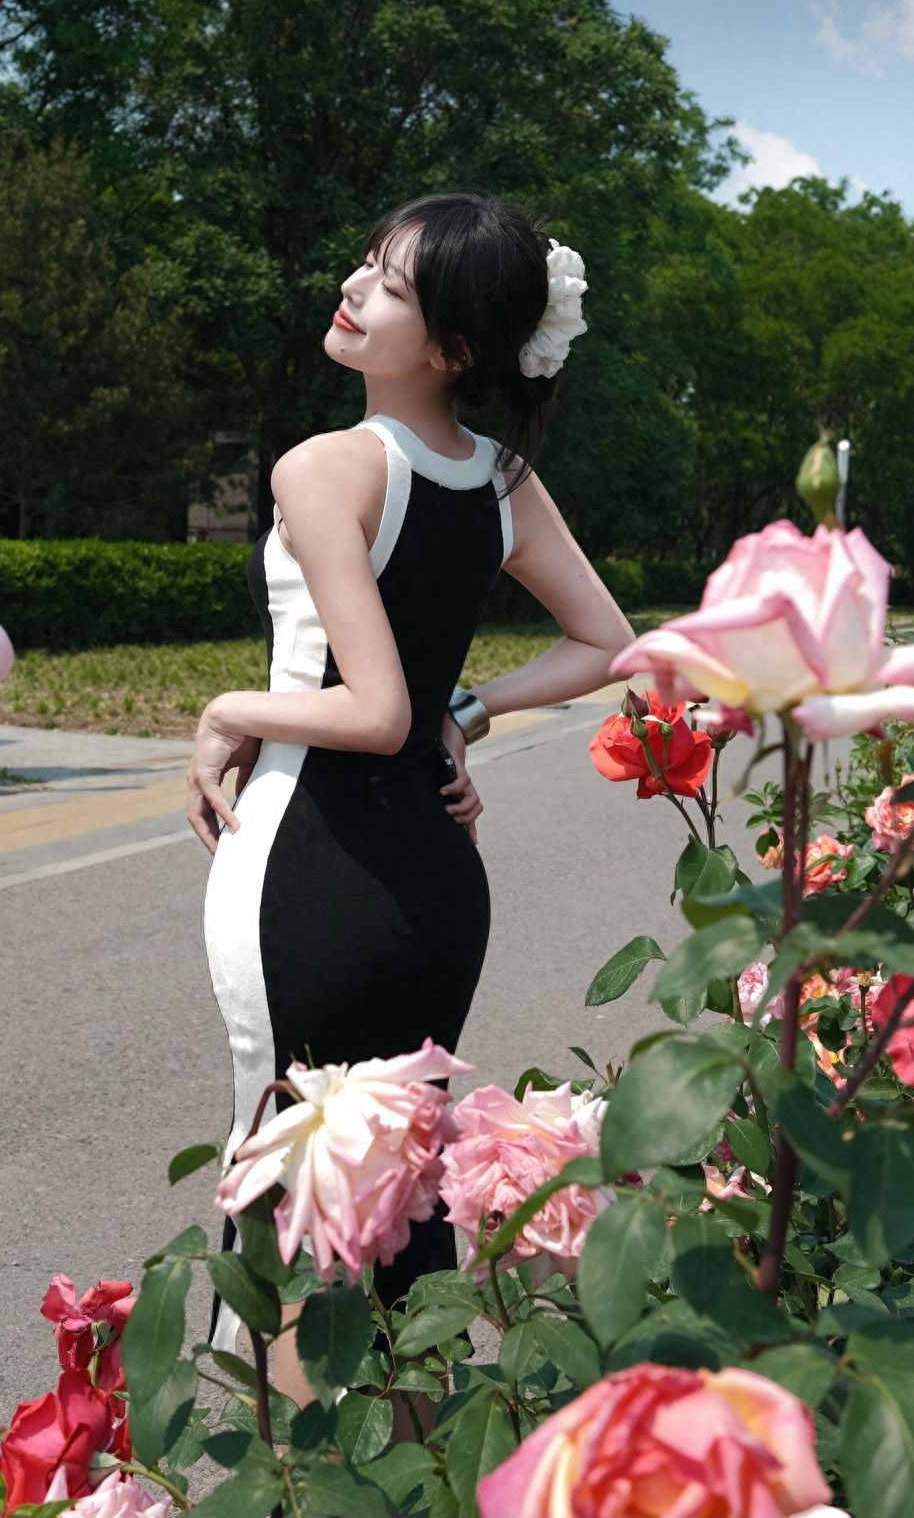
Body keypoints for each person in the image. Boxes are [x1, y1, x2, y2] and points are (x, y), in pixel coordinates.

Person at [186, 191, 634, 1392]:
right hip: (437, 884)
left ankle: (291, 1465)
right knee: (399, 1203)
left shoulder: (324, 467)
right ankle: (418, 1453)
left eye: (388, 285)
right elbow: (606, 643)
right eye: (366, 264)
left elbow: (370, 710)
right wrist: (465, 712)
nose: (352, 289)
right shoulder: (500, 479)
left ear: (450, 347)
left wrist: (231, 710)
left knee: (292, 1196)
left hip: (312, 867)